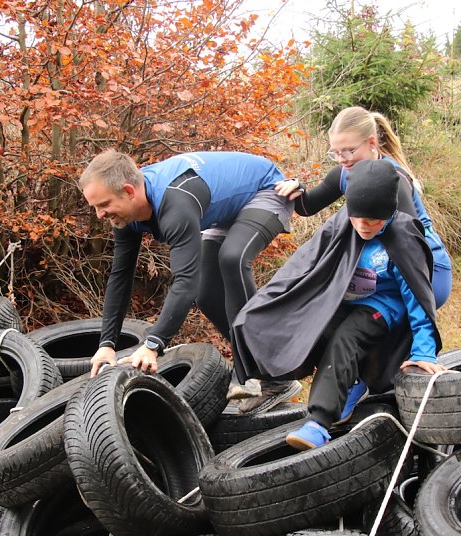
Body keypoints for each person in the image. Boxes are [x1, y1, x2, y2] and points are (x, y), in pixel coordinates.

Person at [230, 160, 445, 449]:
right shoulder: (345, 221)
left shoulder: (405, 237)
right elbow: (305, 264)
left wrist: (424, 353)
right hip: (342, 296)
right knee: (309, 324)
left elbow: (419, 298)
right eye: (357, 218)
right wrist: (267, 303)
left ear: (389, 212)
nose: (363, 226)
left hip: (383, 306)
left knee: (346, 339)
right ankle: (288, 382)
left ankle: (318, 423)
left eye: (373, 221)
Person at [80, 149, 301, 404]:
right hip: (226, 210)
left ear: (129, 191)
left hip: (267, 190)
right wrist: (106, 344)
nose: (100, 215)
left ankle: (272, 373)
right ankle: (263, 369)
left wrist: (153, 345)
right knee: (206, 295)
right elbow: (120, 276)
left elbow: (185, 280)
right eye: (95, 207)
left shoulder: (175, 204)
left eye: (104, 205)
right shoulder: (126, 215)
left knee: (232, 259)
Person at [274, 106, 452, 308]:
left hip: (425, 271)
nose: (343, 159)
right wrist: (297, 188)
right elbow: (308, 207)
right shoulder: (344, 173)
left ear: (372, 143)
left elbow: (409, 246)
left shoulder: (395, 180)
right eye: (336, 152)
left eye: (349, 150)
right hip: (384, 265)